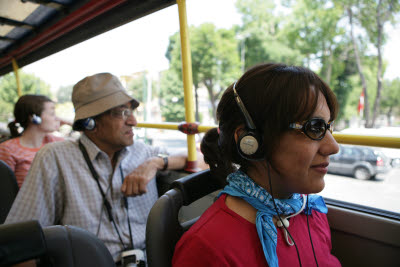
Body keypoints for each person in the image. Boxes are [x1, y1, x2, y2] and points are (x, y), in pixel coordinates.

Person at [5, 73, 187, 264]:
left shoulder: (143, 152)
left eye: (131, 112)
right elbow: (19, 244)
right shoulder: (54, 158)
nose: (133, 121)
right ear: (90, 122)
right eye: (121, 113)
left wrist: (156, 163)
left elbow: (198, 158)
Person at [172, 63, 342, 267]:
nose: (333, 147)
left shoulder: (310, 210)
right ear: (251, 140)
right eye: (314, 128)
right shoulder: (207, 249)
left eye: (328, 126)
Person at [0, 95, 63, 187]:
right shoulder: (8, 150)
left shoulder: (56, 142)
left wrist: (71, 123)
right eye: (52, 114)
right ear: (34, 118)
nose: (57, 119)